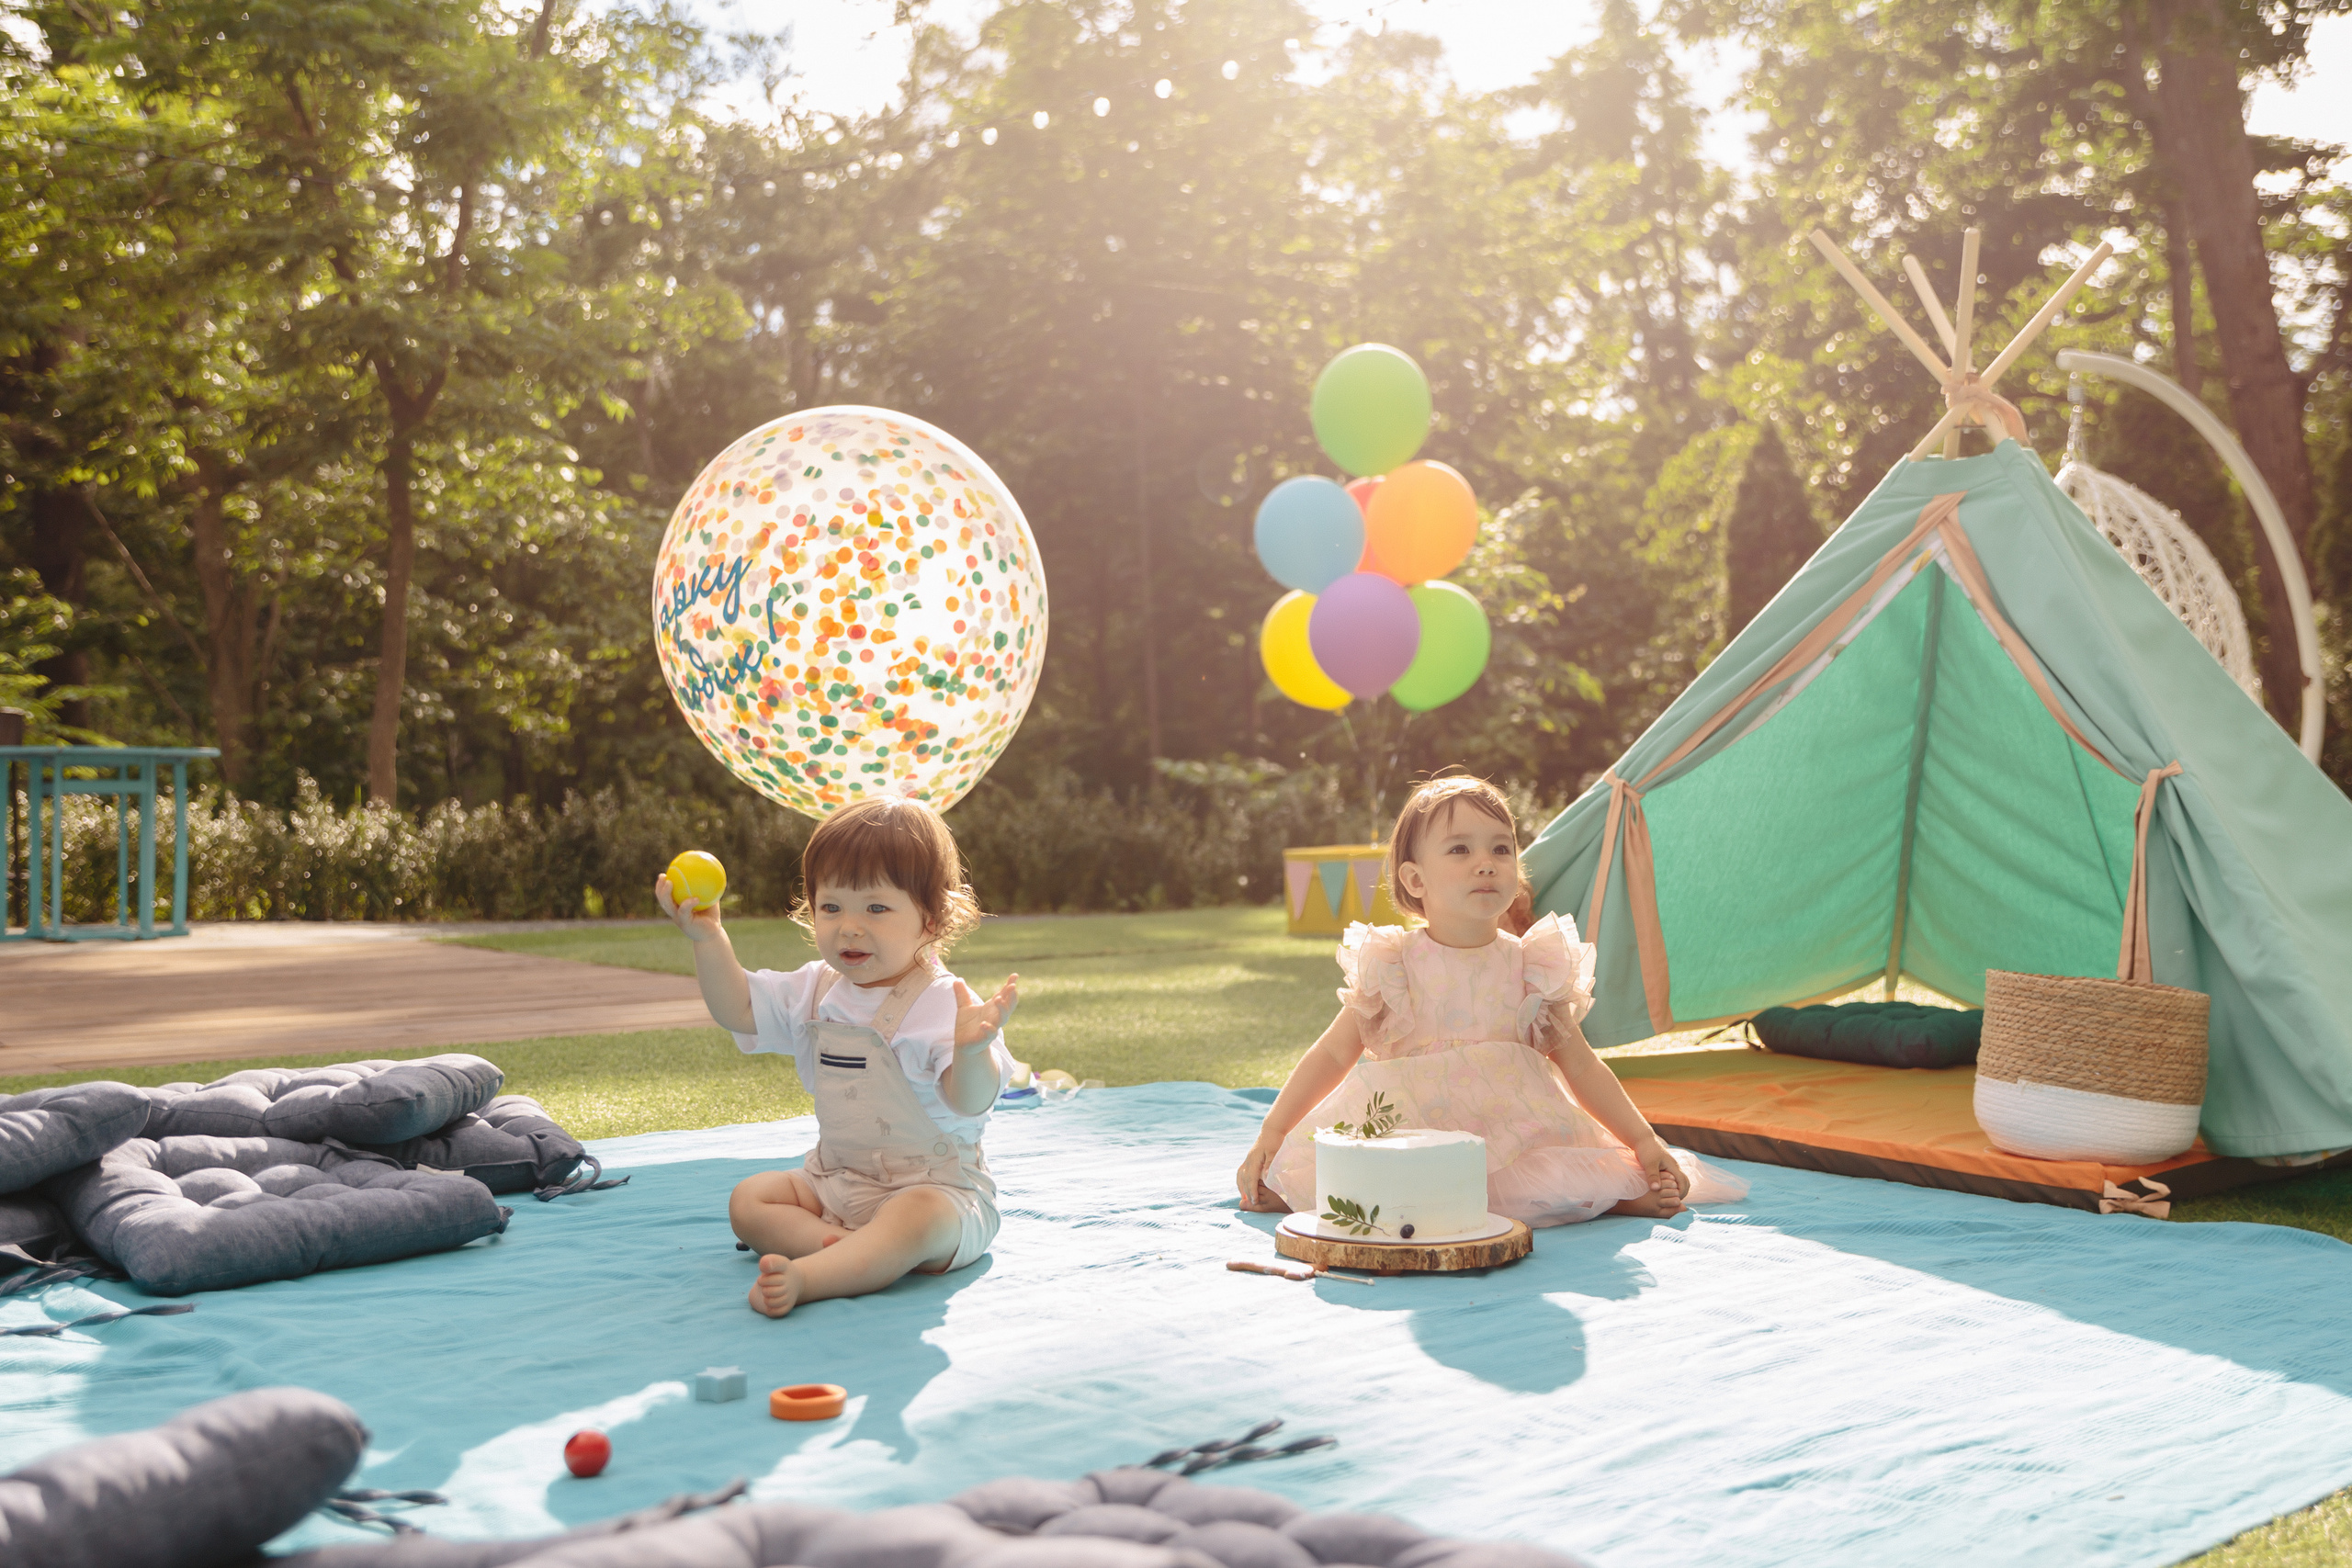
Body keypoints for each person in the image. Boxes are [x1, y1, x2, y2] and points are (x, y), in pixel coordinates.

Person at [1236, 775, 1747, 1226]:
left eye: (1502, 849)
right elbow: (1331, 1053)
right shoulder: (1394, 964)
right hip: (1415, 1129)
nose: (1486, 864)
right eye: (1460, 850)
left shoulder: (1532, 967)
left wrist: (1642, 1139)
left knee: (1555, 1173)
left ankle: (1608, 1198)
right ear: (1416, 880)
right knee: (1319, 1183)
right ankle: (1583, 1199)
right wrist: (1274, 1133)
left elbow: (1583, 1067)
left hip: (1516, 1130)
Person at [658, 795, 1018, 1317]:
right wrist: (708, 937)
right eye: (831, 907)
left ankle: (814, 1274)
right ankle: (851, 1254)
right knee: (749, 1200)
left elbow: (969, 1100)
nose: (849, 926)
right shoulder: (817, 989)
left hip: (936, 1191)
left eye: (876, 908)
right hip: (837, 1184)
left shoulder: (945, 1003)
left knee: (917, 1219)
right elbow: (737, 1009)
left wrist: (972, 1050)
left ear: (932, 918)